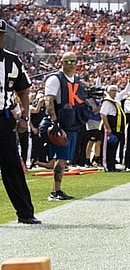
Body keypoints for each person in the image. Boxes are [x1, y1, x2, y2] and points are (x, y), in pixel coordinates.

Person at [0, 20, 40, 223]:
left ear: (4, 37)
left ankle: (25, 213)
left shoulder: (12, 60)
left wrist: (25, 117)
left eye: (0, 34)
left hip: (3, 119)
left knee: (12, 167)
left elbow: (23, 91)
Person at [44, 51, 96, 201]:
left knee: (64, 158)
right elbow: (49, 101)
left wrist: (89, 95)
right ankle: (55, 191)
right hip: (61, 122)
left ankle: (57, 190)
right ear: (62, 62)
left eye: (74, 61)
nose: (72, 64)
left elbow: (79, 99)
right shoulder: (55, 79)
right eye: (68, 61)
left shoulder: (77, 80)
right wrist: (54, 121)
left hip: (73, 122)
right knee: (60, 157)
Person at [99, 85, 125, 172]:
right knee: (108, 148)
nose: (114, 92)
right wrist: (107, 128)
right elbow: (103, 115)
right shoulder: (107, 102)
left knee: (113, 147)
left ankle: (112, 165)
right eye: (112, 90)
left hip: (116, 127)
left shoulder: (115, 101)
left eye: (115, 90)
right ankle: (107, 166)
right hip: (110, 126)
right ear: (108, 91)